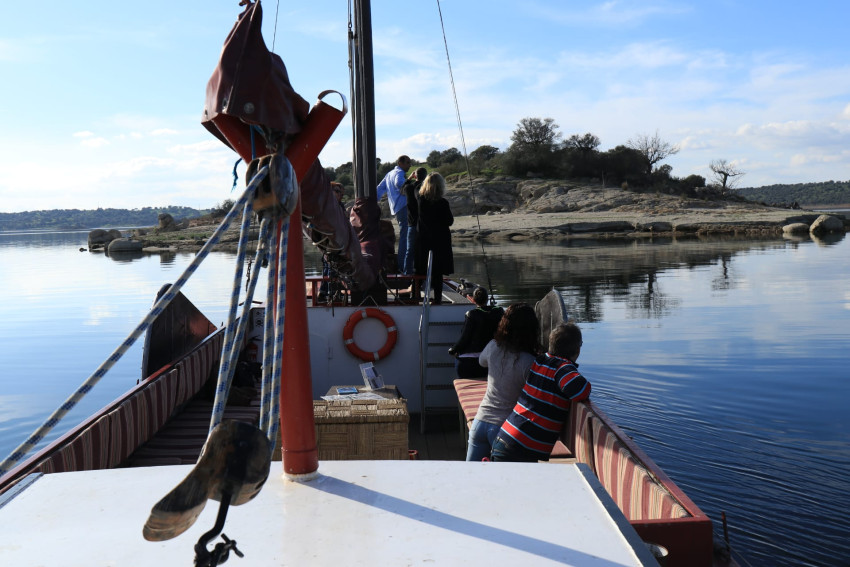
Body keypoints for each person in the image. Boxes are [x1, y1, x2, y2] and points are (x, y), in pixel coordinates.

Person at [490, 322, 591, 462]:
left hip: (507, 438)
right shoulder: (562, 368)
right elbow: (580, 390)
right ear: (577, 350)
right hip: (519, 449)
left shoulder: (541, 361)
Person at [465, 303, 539, 461]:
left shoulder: (493, 346)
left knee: (471, 474)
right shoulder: (530, 362)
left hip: (480, 422)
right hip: (505, 429)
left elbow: (481, 362)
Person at [414, 172, 454, 304]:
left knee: (420, 269)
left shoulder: (420, 200)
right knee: (437, 272)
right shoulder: (443, 203)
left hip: (423, 240)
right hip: (440, 240)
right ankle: (437, 299)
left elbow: (415, 188)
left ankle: (415, 297)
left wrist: (417, 179)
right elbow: (449, 221)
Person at [448, 287, 504, 378]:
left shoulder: (472, 314)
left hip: (469, 363)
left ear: (473, 300)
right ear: (487, 299)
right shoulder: (499, 312)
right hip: (491, 360)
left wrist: (453, 350)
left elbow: (465, 338)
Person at [376, 155, 413, 274]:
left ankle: (402, 265)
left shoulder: (389, 174)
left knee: (404, 235)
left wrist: (372, 201)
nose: (410, 165)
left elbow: (379, 189)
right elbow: (399, 183)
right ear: (400, 163)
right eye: (408, 162)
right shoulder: (399, 173)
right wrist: (409, 186)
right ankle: (403, 266)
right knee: (406, 237)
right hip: (403, 206)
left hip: (396, 208)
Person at [318, 182, 346, 300]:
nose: (340, 194)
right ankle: (330, 293)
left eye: (341, 193)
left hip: (338, 242)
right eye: (337, 191)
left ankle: (326, 292)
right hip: (329, 243)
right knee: (331, 268)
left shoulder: (340, 206)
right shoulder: (327, 207)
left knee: (331, 268)